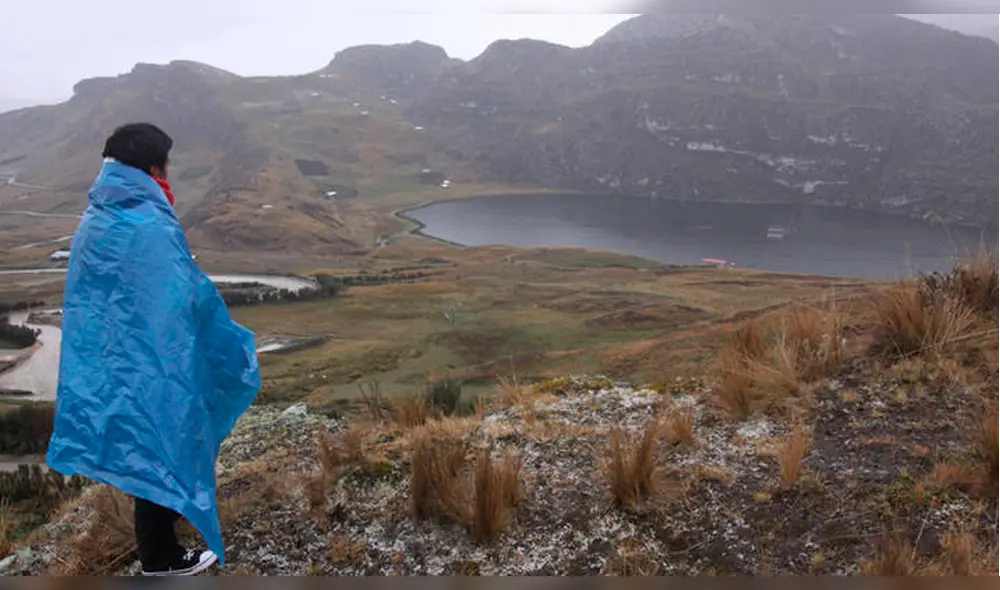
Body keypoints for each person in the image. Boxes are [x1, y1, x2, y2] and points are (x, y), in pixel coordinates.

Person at [46, 123, 261, 576]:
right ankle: (161, 561)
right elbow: (179, 295)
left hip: (118, 360)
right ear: (152, 168)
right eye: (166, 166)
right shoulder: (147, 222)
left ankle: (161, 546)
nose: (169, 175)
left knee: (148, 441)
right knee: (162, 438)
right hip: (154, 360)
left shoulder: (98, 217)